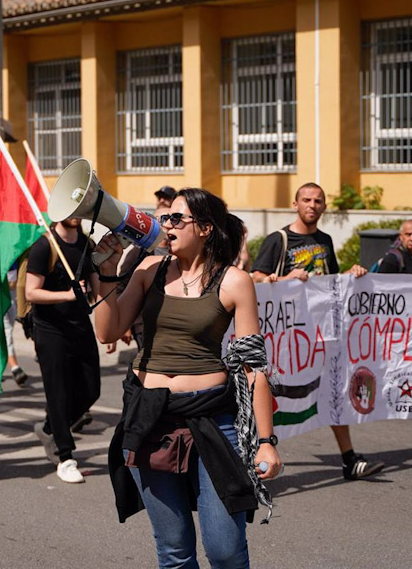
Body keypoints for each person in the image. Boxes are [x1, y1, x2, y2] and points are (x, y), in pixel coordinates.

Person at [95, 189, 281, 567]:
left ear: (206, 229)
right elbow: (107, 331)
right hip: (149, 417)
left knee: (224, 549)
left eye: (177, 219)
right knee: (174, 550)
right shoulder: (149, 270)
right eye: (165, 219)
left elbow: (252, 365)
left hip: (212, 420)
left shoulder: (234, 282)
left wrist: (266, 441)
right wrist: (105, 273)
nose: (167, 225)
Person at [251, 183, 383, 481]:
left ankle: (349, 459)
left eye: (318, 201)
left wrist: (352, 277)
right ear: (295, 204)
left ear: (324, 206)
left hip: (320, 334)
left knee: (332, 389)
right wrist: (285, 277)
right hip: (288, 337)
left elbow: (332, 282)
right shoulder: (279, 239)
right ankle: (256, 456)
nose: (313, 205)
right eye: (307, 200)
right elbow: (257, 278)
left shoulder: (325, 240)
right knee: (272, 397)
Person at [25, 217, 101, 483]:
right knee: (58, 393)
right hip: (50, 329)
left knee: (91, 390)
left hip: (80, 326)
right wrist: (67, 295)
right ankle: (65, 457)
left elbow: (98, 291)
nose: (76, 214)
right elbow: (31, 293)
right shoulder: (44, 246)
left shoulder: (86, 244)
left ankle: (49, 428)